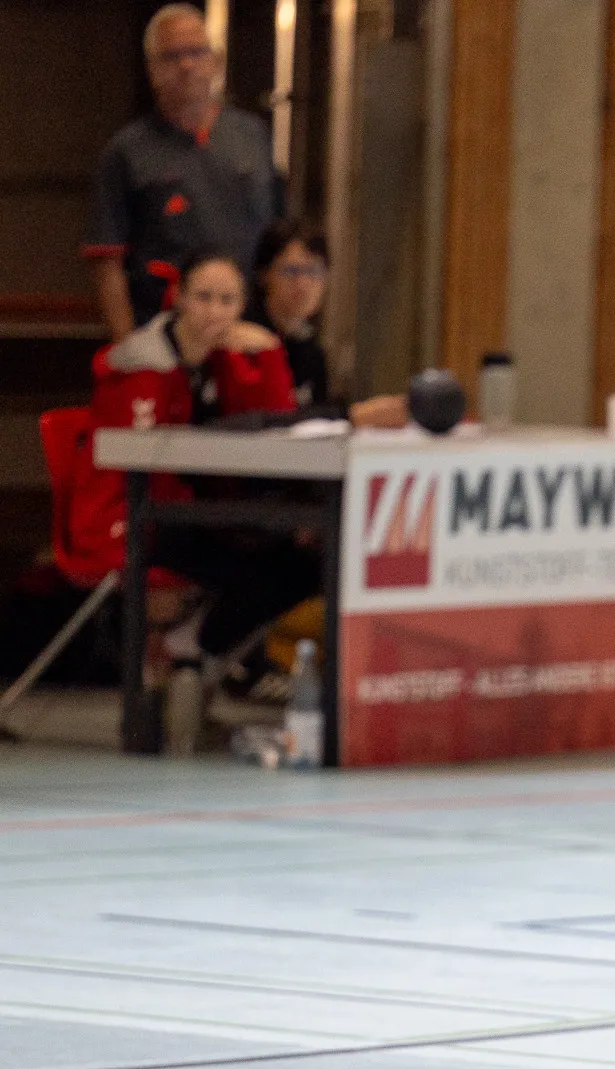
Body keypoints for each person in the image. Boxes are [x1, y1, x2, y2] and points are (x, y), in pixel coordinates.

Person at [90, 252, 317, 732]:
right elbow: (147, 467)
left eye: (227, 300)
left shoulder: (231, 358)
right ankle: (188, 665)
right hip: (135, 516)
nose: (215, 312)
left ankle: (195, 651)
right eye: (204, 298)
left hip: (203, 513)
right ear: (179, 300)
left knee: (306, 559)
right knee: (263, 555)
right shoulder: (142, 361)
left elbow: (275, 430)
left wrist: (269, 354)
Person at [84, 4, 283, 340]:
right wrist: (130, 350)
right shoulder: (126, 152)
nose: (187, 65)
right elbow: (107, 262)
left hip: (246, 331)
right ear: (152, 70)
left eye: (196, 52)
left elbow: (279, 244)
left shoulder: (252, 137)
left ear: (216, 61)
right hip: (163, 333)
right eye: (171, 56)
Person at [247, 219, 408, 426]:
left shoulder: (311, 350)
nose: (303, 284)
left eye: (314, 271)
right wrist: (351, 416)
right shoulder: (244, 342)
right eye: (291, 271)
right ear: (264, 274)